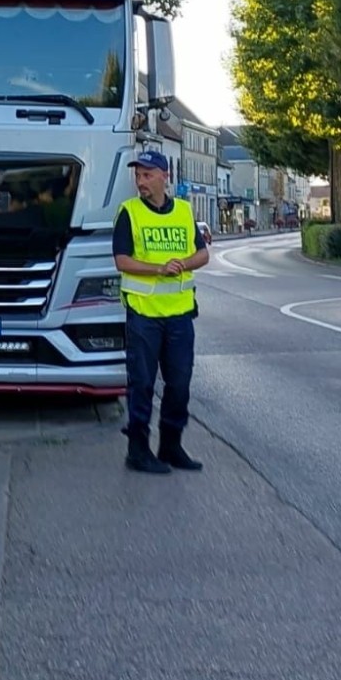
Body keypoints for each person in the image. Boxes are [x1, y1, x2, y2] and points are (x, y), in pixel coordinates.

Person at [114, 150, 211, 474]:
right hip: (143, 314)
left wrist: (181, 264)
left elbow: (202, 254)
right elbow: (122, 261)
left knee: (179, 383)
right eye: (137, 176)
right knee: (141, 384)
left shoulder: (183, 211)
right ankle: (138, 450)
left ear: (163, 176)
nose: (140, 182)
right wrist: (158, 268)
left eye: (146, 175)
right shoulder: (129, 212)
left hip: (180, 314)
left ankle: (171, 446)